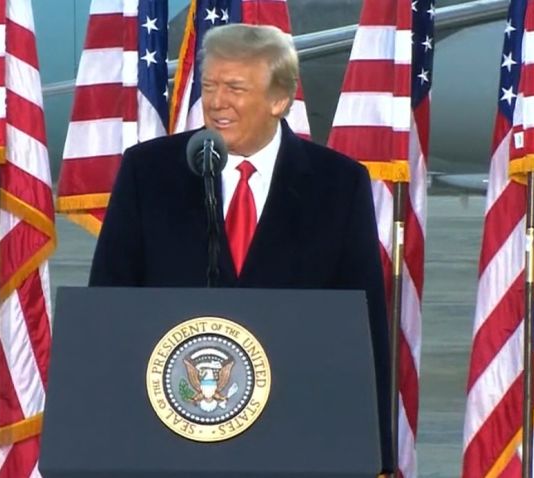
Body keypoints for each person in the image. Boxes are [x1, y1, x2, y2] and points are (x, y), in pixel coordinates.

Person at [89, 24, 392, 472]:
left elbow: (363, 325)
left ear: (279, 100)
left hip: (291, 437)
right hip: (167, 438)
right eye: (209, 86)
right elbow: (109, 307)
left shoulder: (338, 184)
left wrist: (373, 451)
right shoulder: (148, 172)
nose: (216, 102)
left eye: (234, 88)